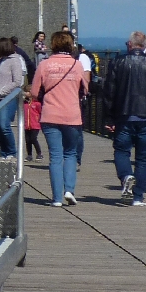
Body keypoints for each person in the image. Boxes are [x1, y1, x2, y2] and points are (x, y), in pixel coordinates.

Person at [32, 29, 90, 207]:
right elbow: (85, 89)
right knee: (70, 154)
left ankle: (56, 198)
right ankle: (69, 190)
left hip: (50, 114)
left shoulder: (44, 64)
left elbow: (34, 92)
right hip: (72, 115)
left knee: (55, 156)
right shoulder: (77, 65)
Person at [104, 31, 146, 206]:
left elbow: (109, 91)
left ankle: (126, 175)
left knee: (121, 150)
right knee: (143, 157)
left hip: (124, 115)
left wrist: (109, 117)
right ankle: (138, 197)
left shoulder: (117, 63)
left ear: (131, 44)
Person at [0, 37, 28, 158]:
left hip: (7, 98)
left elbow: (17, 82)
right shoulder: (2, 61)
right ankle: (3, 151)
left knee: (4, 125)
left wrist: (2, 91)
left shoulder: (15, 61)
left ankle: (11, 152)